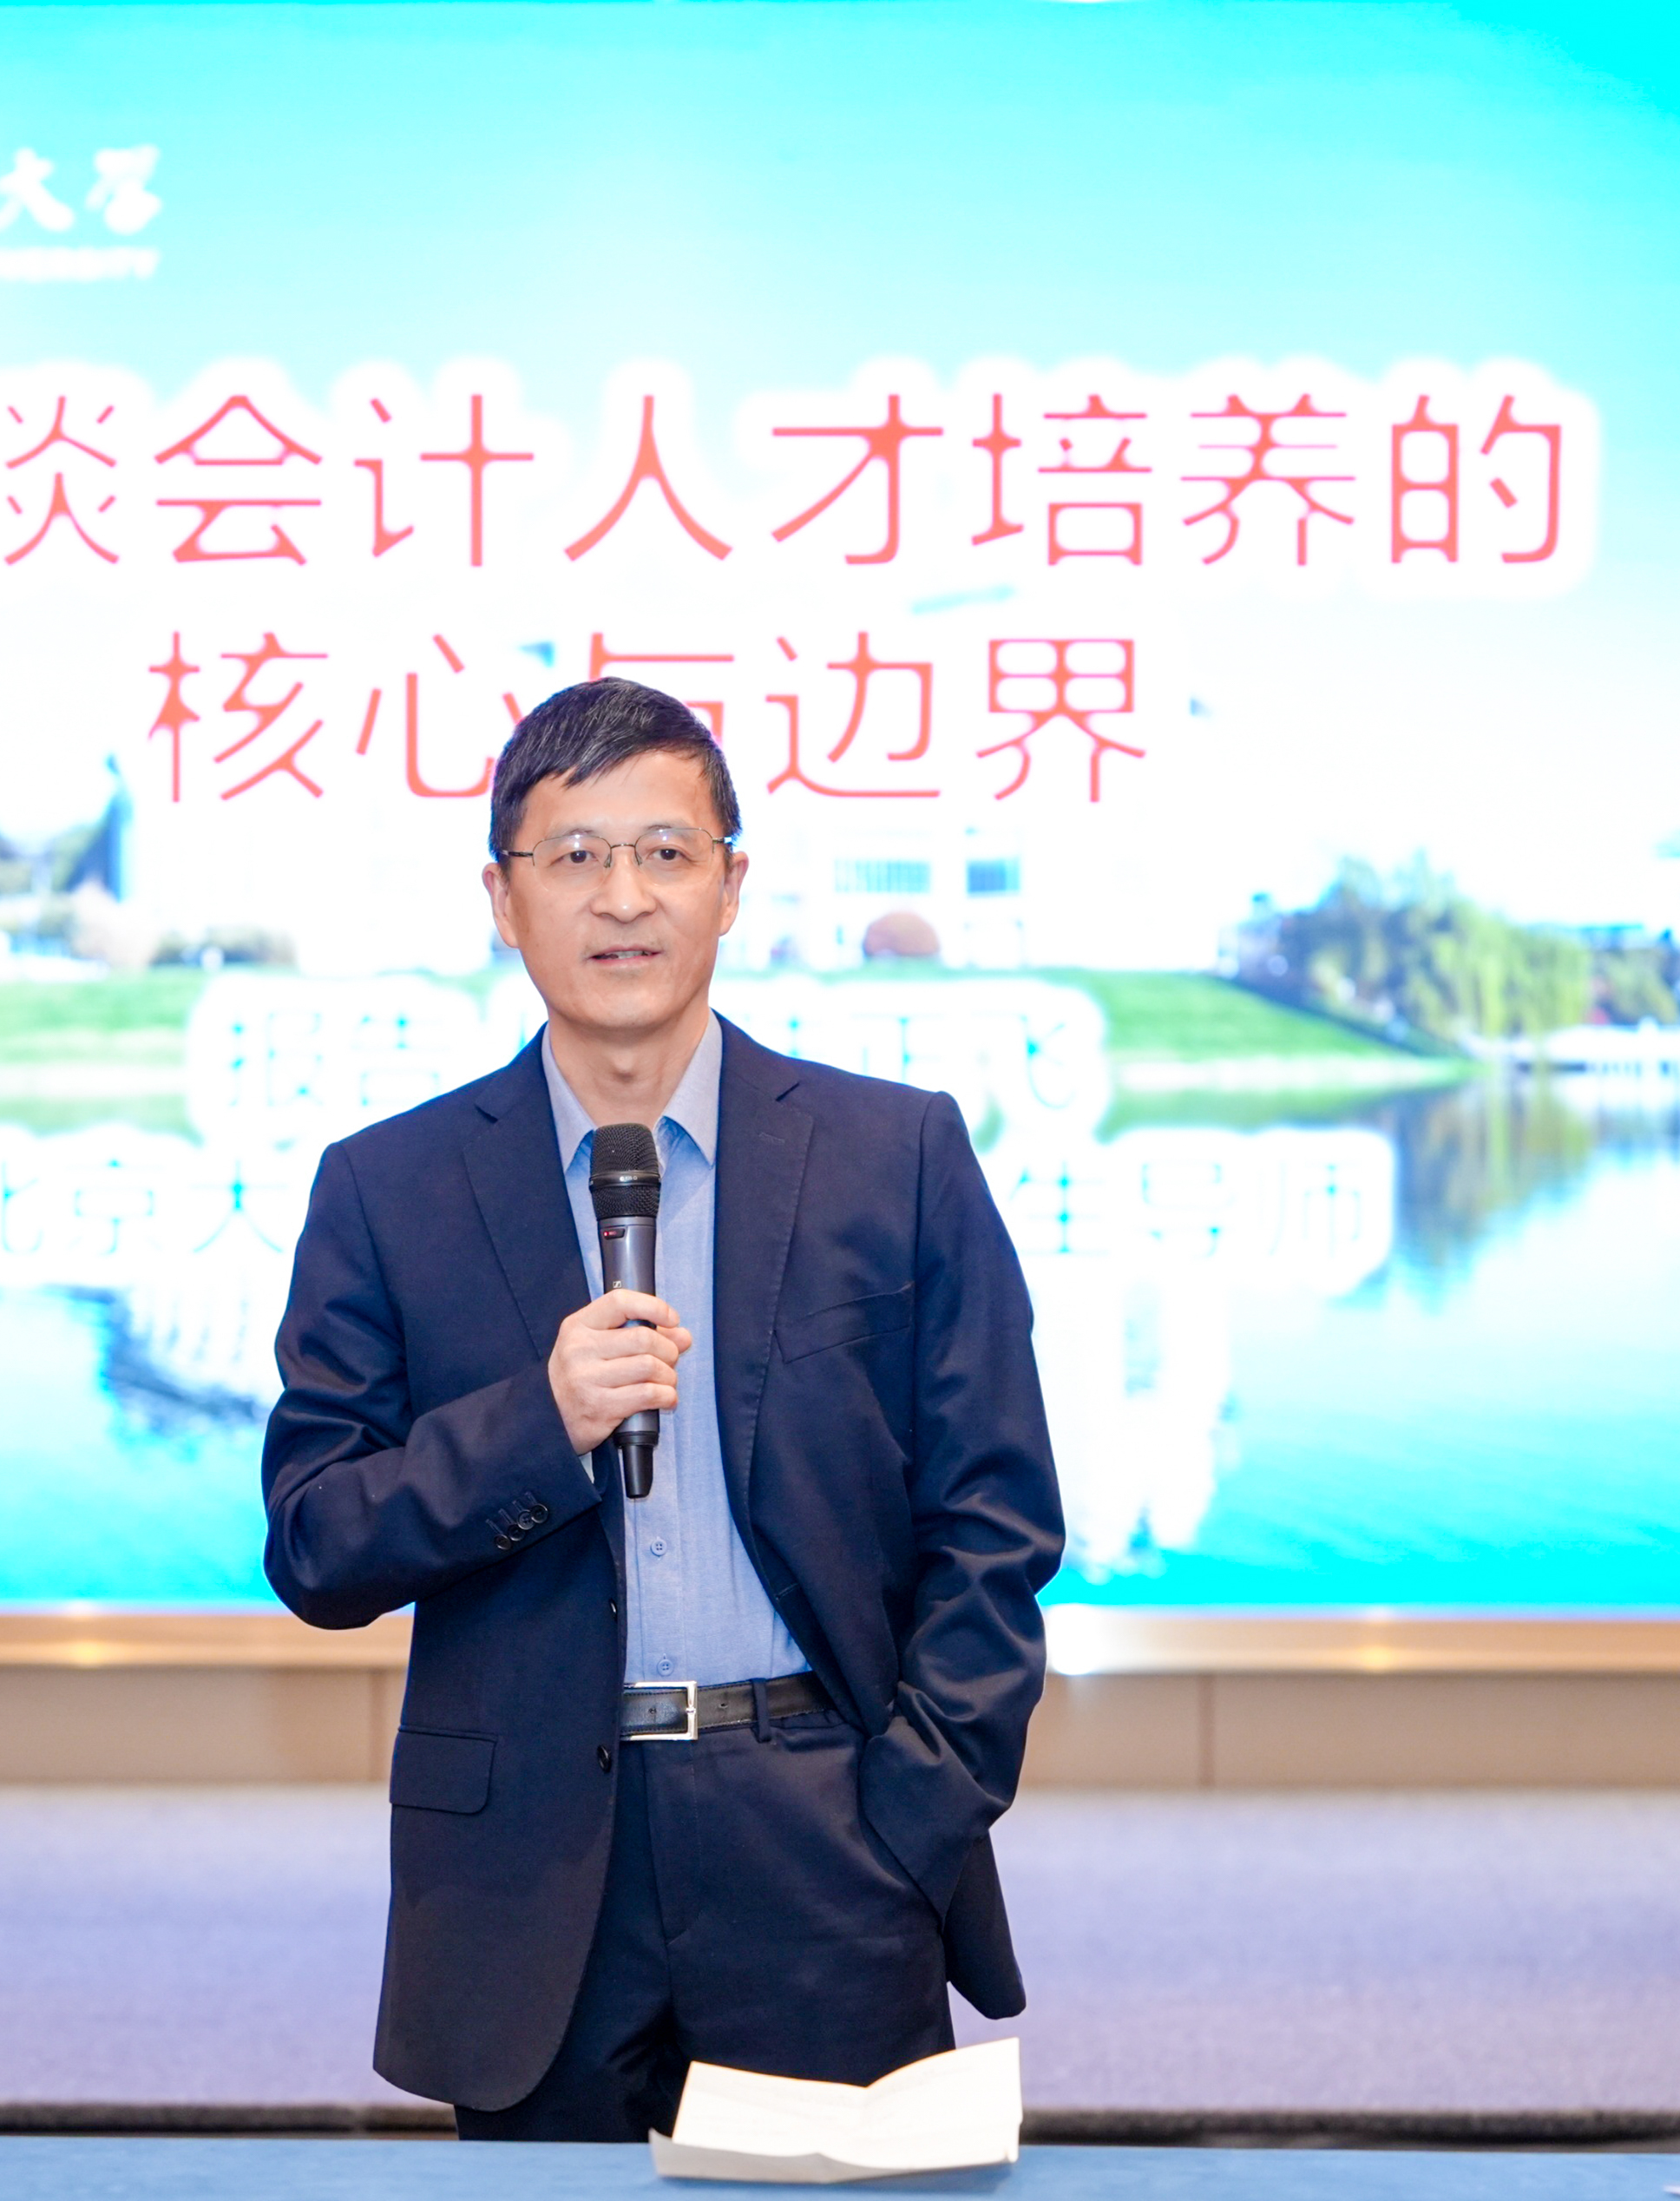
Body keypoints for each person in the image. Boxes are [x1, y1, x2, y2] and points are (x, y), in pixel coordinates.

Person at [260, 677, 1064, 2141]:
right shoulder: (388, 1188)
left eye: (665, 854)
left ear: (730, 886)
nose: (621, 897)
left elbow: (993, 1520)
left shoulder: (893, 1156)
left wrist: (911, 1811)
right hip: (529, 1858)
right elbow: (318, 1544)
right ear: (502, 901)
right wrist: (537, 1422)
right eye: (573, 856)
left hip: (823, 1831)